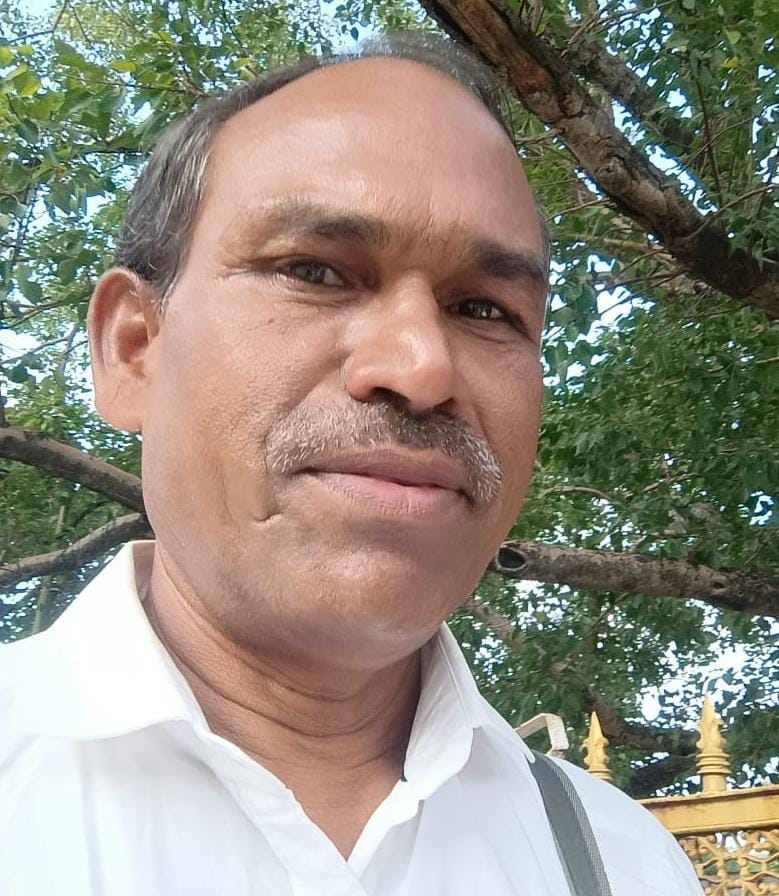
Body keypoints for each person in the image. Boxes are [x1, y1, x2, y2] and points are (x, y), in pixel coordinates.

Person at [0, 33, 702, 896]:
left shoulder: (623, 862)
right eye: (317, 271)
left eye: (484, 308)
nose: (420, 367)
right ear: (133, 348)